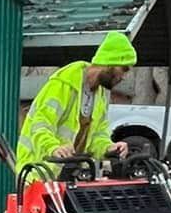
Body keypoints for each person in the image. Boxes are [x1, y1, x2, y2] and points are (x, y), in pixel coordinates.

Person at [14, 31, 138, 174]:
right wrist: (54, 147)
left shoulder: (102, 93)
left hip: (68, 174)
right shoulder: (64, 83)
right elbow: (40, 124)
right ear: (110, 62)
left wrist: (108, 147)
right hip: (39, 171)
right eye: (124, 69)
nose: (124, 77)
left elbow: (97, 135)